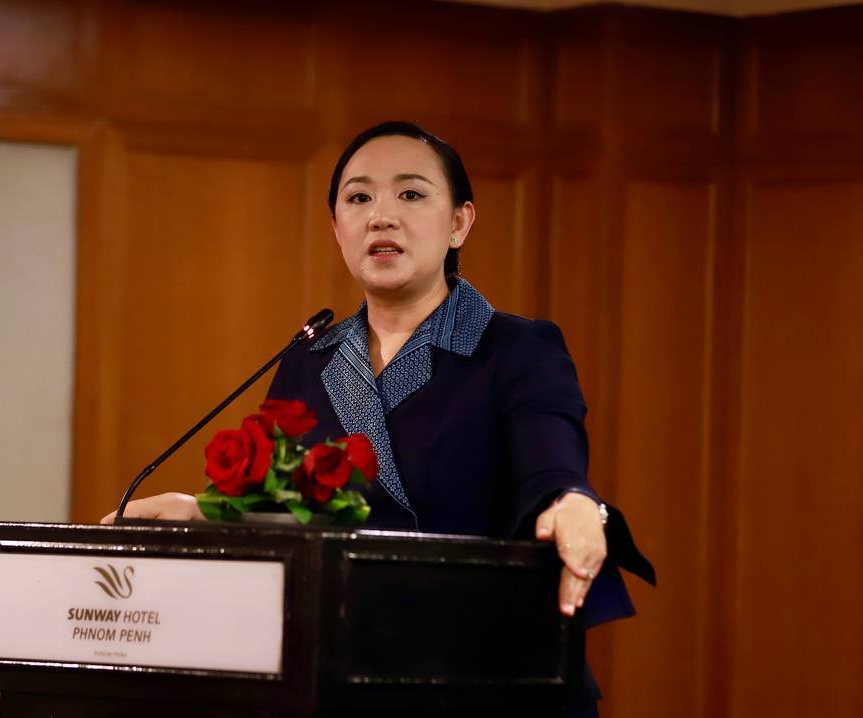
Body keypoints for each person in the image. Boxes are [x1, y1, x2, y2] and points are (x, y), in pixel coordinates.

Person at [104, 121, 654, 716]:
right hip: (346, 680)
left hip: (487, 681)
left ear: (460, 223)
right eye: (359, 198)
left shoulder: (517, 349)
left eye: (411, 194)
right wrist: (204, 512)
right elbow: (288, 515)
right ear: (337, 227)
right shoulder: (308, 361)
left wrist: (574, 503)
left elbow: (552, 467)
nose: (381, 216)